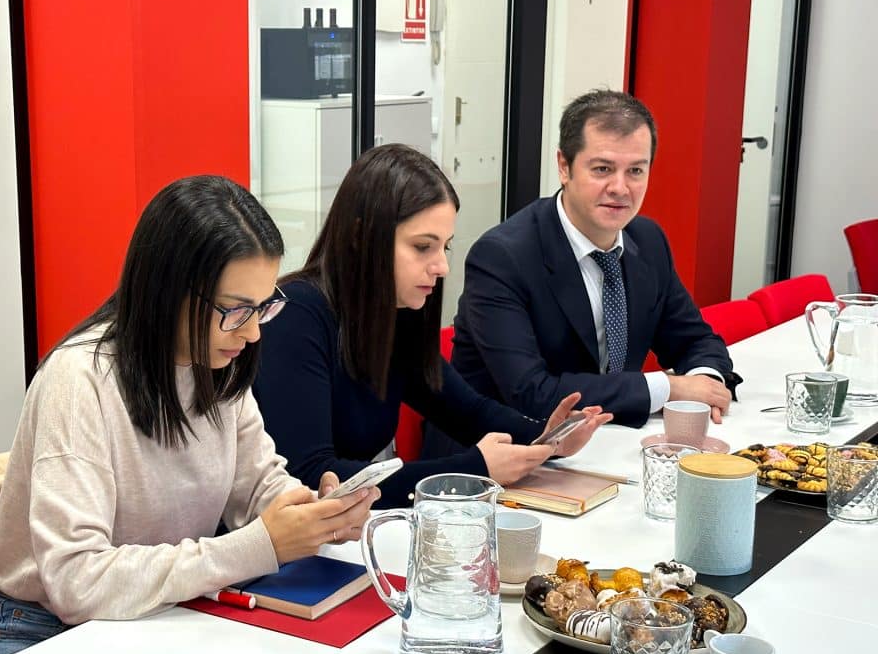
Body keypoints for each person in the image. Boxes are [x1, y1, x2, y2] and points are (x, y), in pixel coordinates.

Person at [0, 176, 377, 654]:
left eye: (262, 307)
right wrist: (259, 546)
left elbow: (257, 486)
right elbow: (77, 581)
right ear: (168, 290)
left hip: (163, 613)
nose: (251, 332)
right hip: (39, 628)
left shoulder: (218, 365)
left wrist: (312, 513)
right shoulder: (79, 380)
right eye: (235, 310)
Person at [253, 144, 611, 509]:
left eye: (445, 248)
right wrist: (472, 470)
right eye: (423, 247)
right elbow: (310, 475)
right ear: (361, 237)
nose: (442, 267)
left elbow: (467, 411)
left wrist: (546, 437)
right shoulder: (296, 315)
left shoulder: (396, 313)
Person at [451, 89, 735, 428]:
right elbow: (533, 392)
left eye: (636, 171)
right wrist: (669, 388)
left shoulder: (648, 240)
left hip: (610, 438)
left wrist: (706, 383)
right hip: (508, 444)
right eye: (602, 169)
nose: (620, 188)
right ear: (564, 167)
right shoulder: (502, 257)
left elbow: (695, 340)